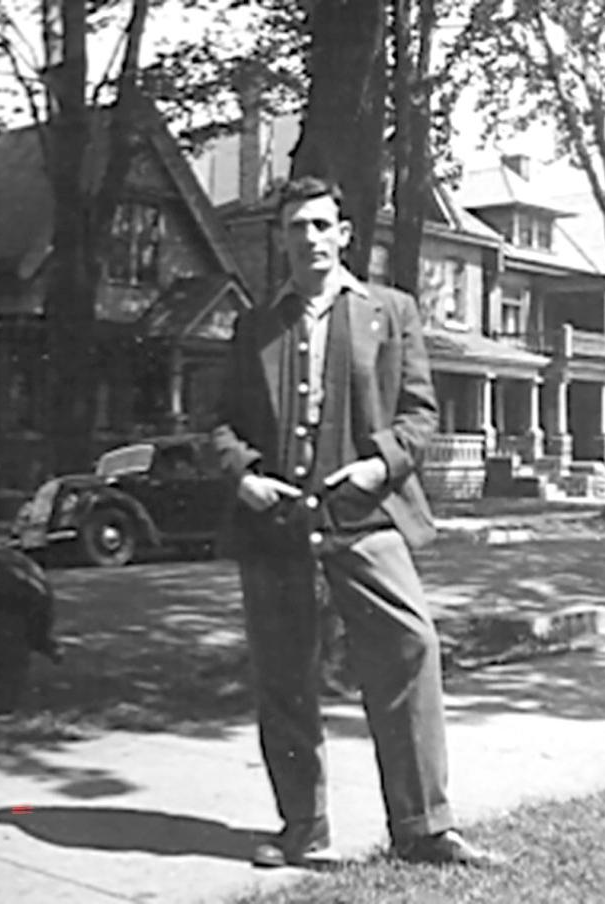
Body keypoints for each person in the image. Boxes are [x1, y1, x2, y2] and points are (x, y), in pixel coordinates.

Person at [211, 175, 506, 869]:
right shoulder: (256, 325)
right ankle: (301, 827)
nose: (308, 239)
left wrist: (380, 466)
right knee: (284, 673)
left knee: (411, 648)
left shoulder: (390, 311)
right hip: (278, 526)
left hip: (367, 520)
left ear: (344, 233)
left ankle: (424, 827)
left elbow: (420, 413)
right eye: (295, 228)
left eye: (321, 225)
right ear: (279, 240)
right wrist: (245, 475)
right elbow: (220, 422)